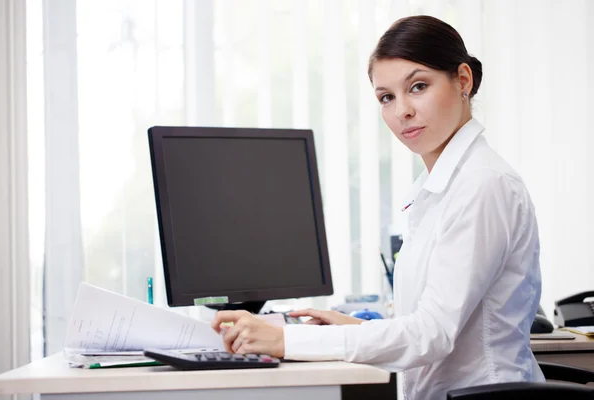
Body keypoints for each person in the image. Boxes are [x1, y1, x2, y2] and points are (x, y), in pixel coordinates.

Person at [211, 15, 544, 399]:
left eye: (417, 87)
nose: (401, 110)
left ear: (463, 81)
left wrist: (285, 339)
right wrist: (352, 329)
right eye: (386, 97)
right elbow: (430, 322)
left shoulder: (483, 184)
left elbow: (431, 334)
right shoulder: (442, 186)